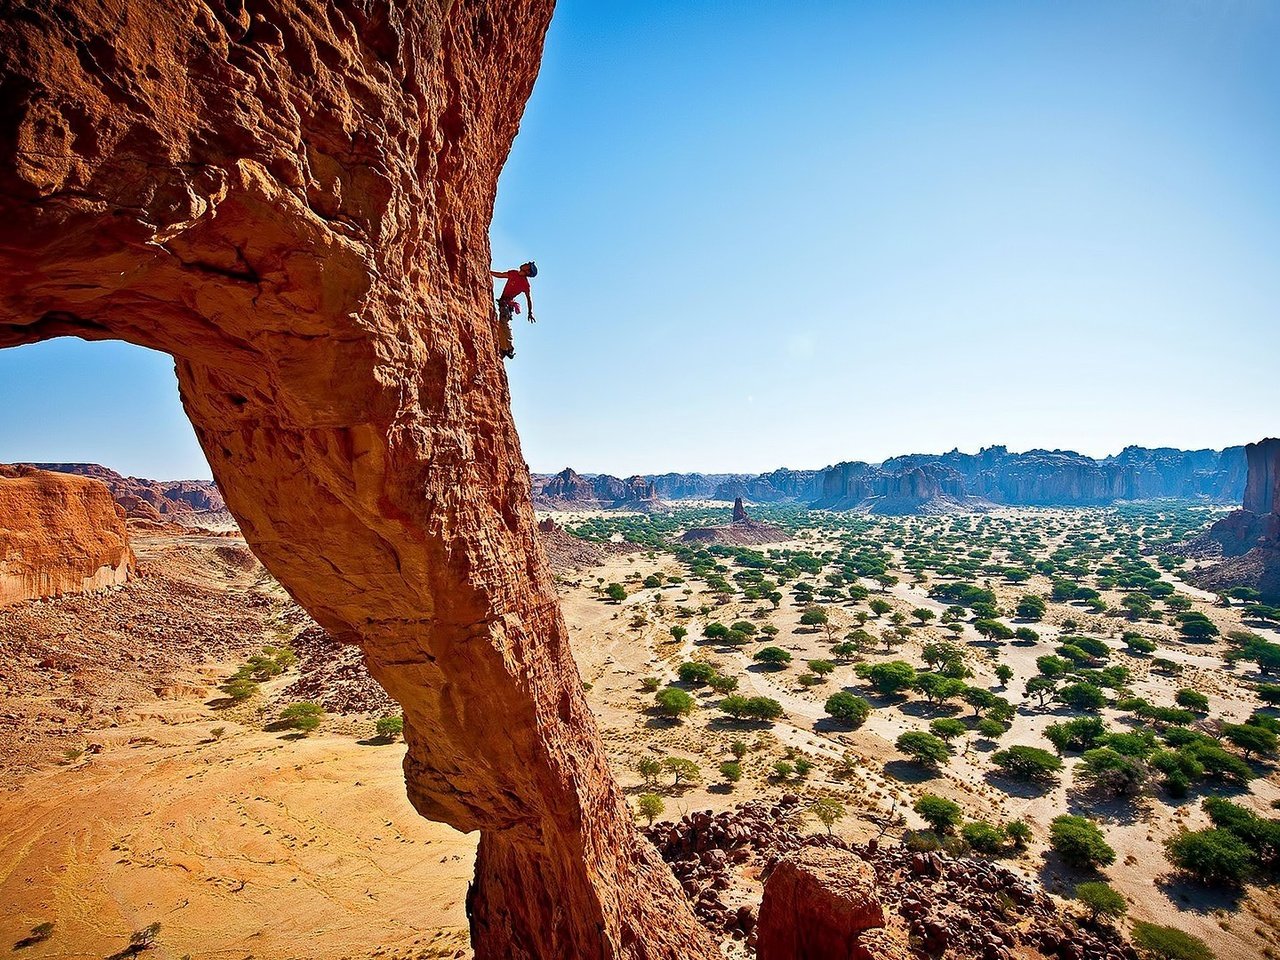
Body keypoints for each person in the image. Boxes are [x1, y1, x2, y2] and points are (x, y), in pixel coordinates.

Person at [491, 261, 537, 359]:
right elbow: (501, 275)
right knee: (501, 324)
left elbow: (529, 299)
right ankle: (506, 347)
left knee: (503, 324)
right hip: (503, 303)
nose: (525, 263)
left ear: (528, 271)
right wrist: (488, 272)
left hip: (508, 304)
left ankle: (509, 348)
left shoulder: (525, 284)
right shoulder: (514, 273)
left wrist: (530, 312)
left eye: (528, 265)